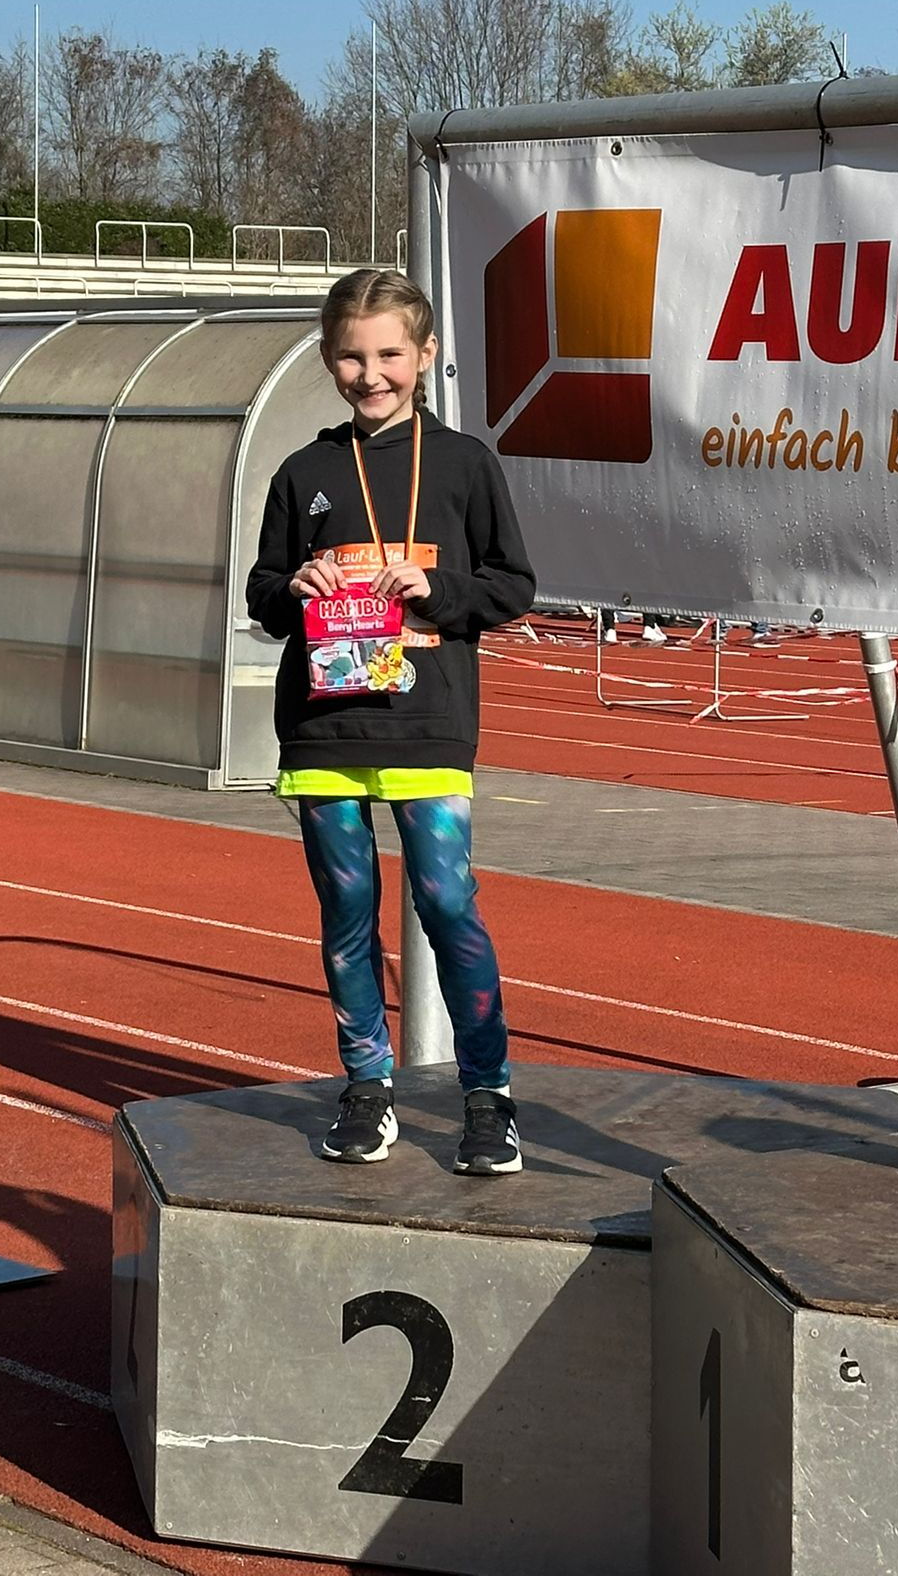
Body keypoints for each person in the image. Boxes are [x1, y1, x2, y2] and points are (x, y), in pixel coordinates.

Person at [246, 268, 536, 1175]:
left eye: (388, 355)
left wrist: (436, 588)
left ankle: (487, 1097)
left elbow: (512, 585)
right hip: (324, 730)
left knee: (447, 904)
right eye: (349, 356)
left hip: (429, 723)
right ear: (327, 357)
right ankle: (367, 1087)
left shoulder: (465, 463)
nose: (369, 374)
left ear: (425, 354)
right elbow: (262, 593)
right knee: (347, 913)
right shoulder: (304, 472)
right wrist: (295, 586)